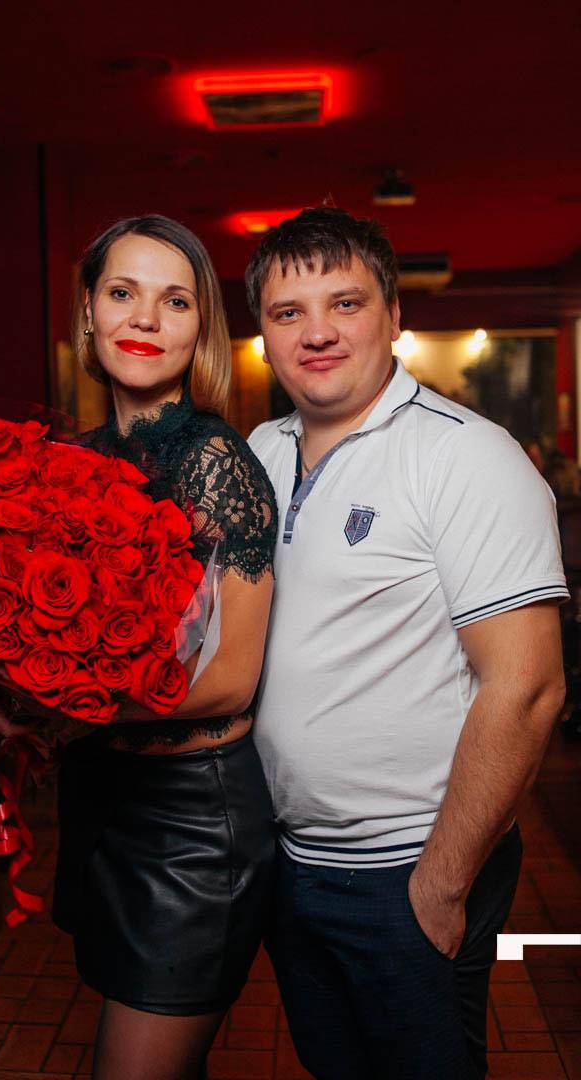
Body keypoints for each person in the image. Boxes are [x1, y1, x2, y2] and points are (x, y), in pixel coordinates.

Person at [245, 207, 568, 1080]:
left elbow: (528, 688)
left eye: (345, 304)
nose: (317, 333)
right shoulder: (259, 453)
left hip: (410, 867)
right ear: (265, 336)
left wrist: (444, 879)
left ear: (393, 316)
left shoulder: (467, 457)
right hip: (292, 860)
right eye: (288, 312)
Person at [0, 215, 277, 1080]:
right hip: (102, 800)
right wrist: (1, 681)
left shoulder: (216, 461)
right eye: (122, 292)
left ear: (200, 327)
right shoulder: (75, 458)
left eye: (175, 300)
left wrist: (61, 711)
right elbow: (54, 638)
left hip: (192, 820)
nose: (144, 317)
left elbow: (231, 679)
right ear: (89, 313)